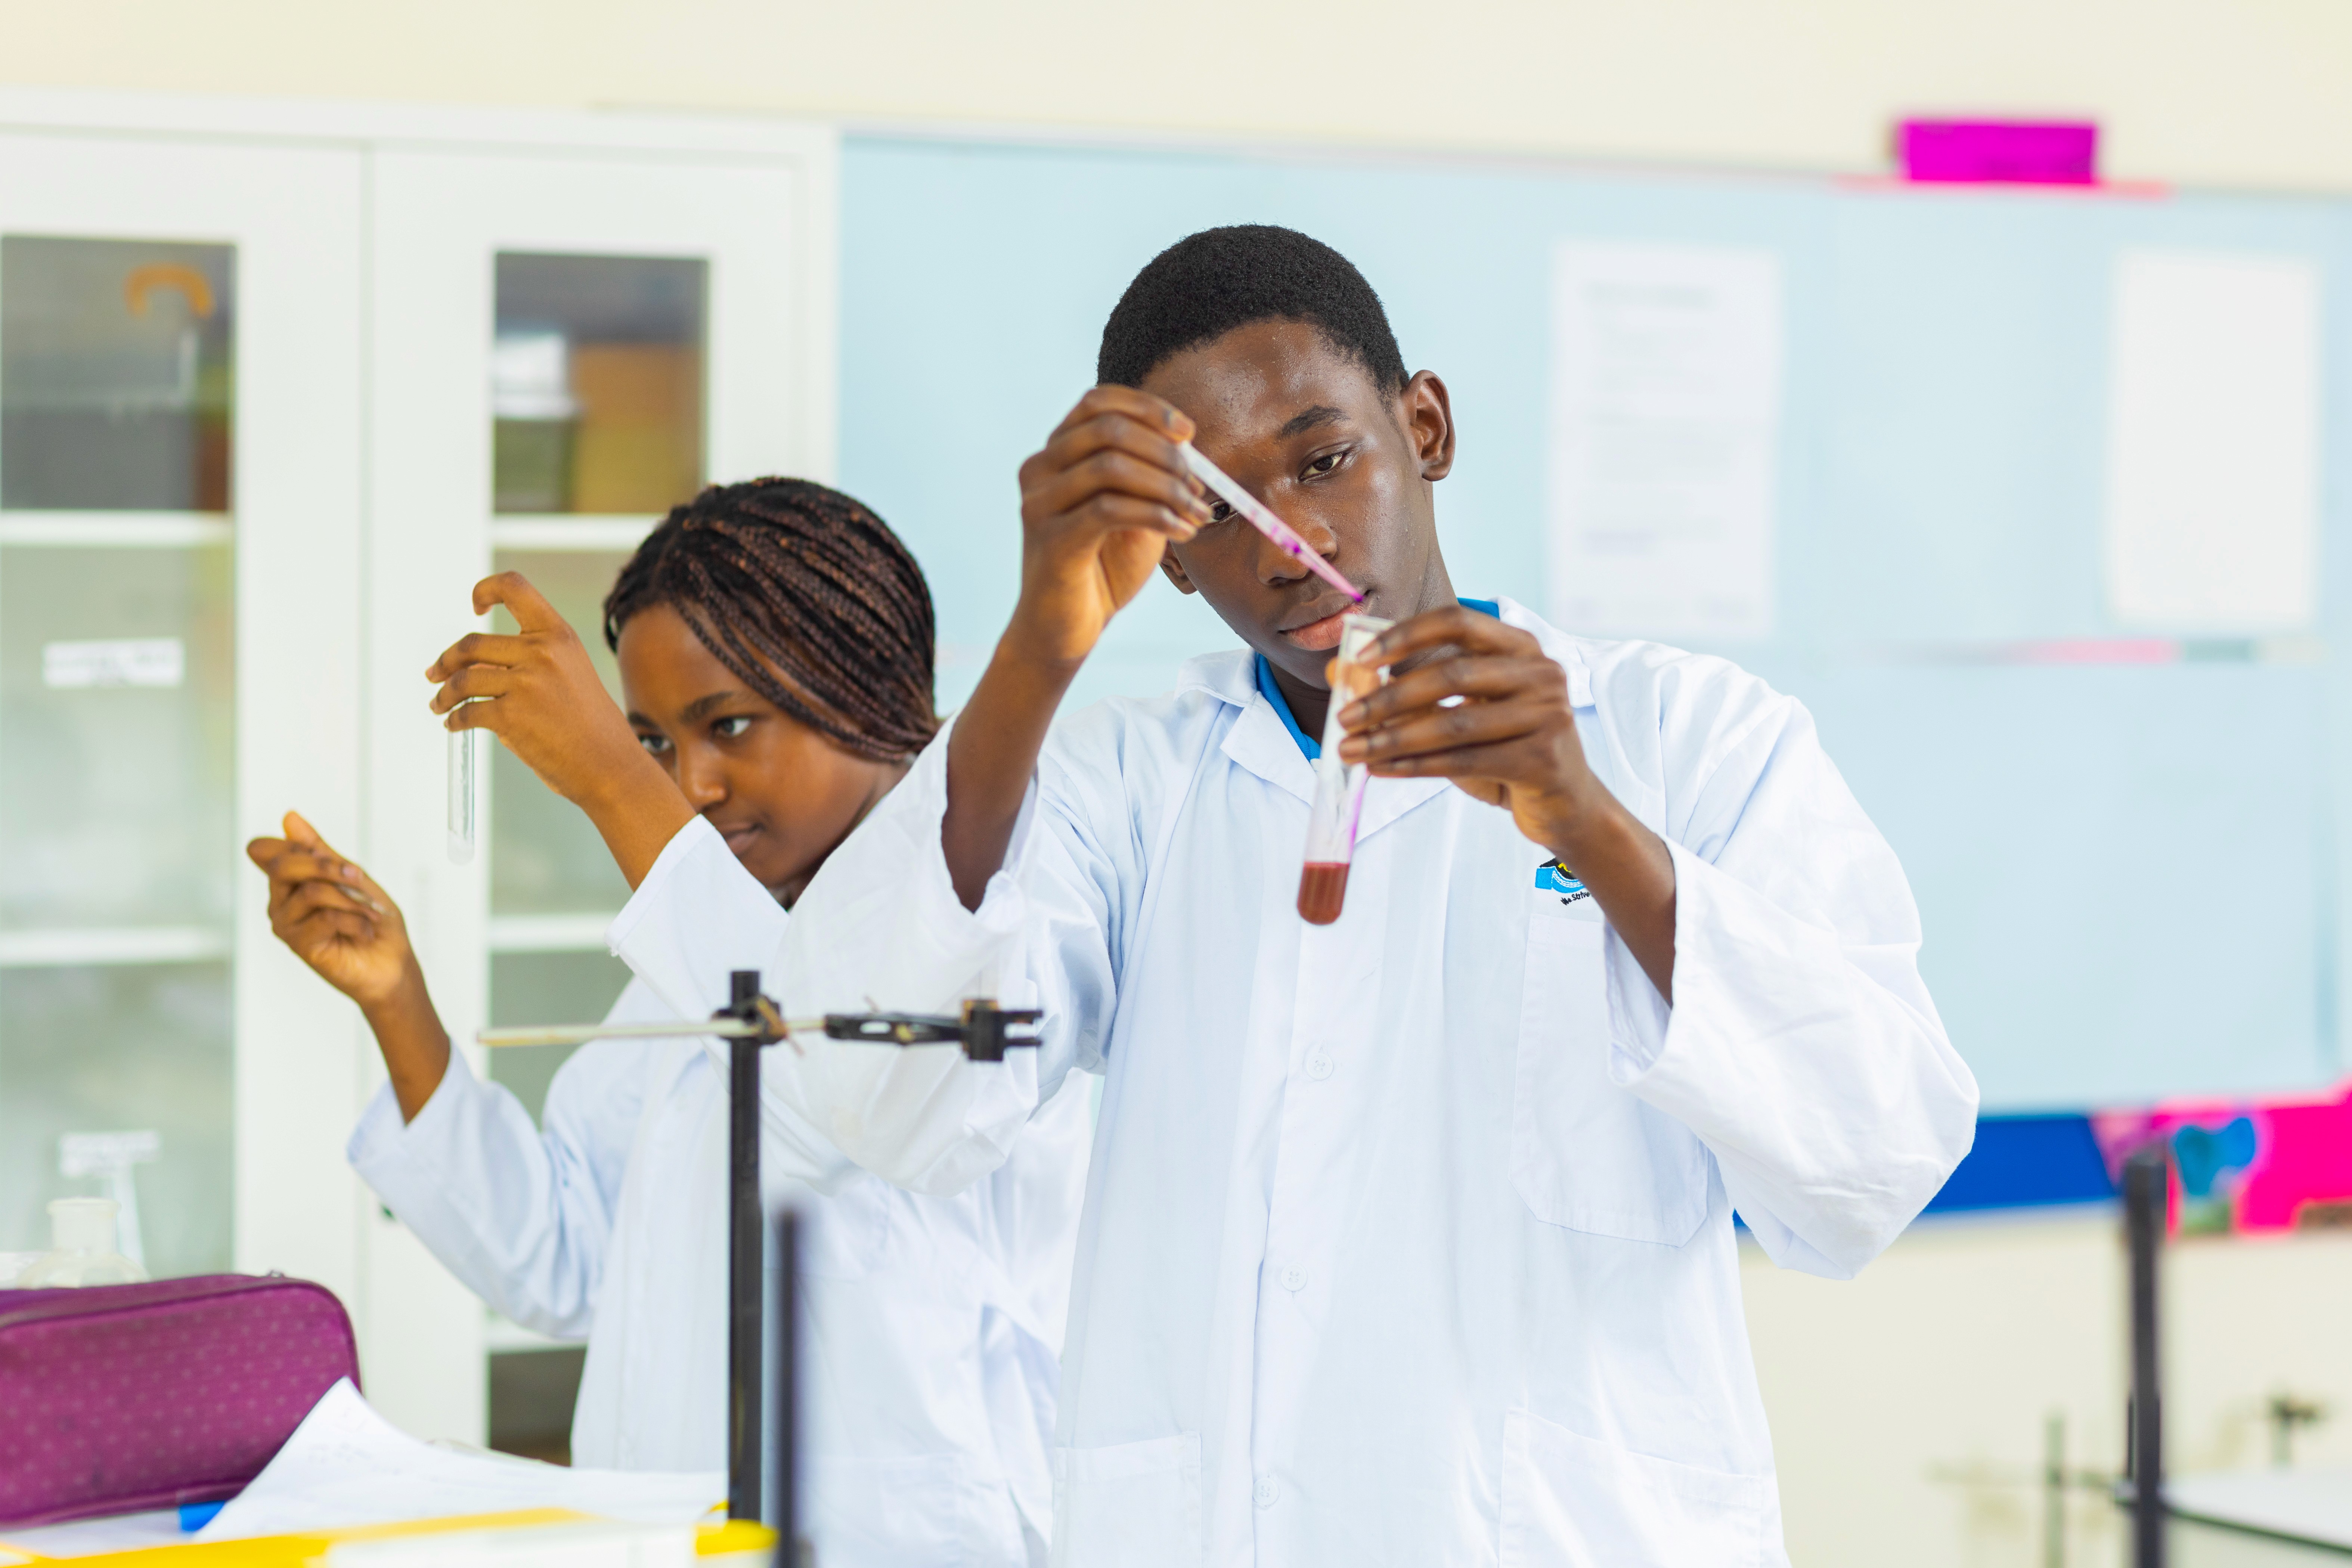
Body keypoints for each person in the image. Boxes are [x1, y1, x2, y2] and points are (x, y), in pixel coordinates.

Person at [463, 228, 1979, 1566]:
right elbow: (895, 1101)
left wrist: (1588, 823)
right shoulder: (1135, 791)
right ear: (1173, 558)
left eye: (1325, 459)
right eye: (1224, 509)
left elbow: (1875, 1156)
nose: (1295, 539)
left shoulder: (1688, 738)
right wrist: (1044, 634)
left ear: (1426, 427)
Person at [248, 478, 1088, 1567]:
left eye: (729, 726)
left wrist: (609, 782)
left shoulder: (981, 913)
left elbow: (846, 1092)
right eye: (650, 742)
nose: (689, 787)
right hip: (658, 1535)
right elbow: (561, 1262)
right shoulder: (700, 951)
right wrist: (396, 1000)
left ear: (870, 687)